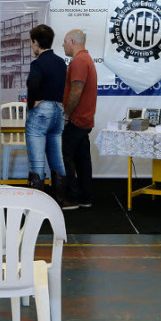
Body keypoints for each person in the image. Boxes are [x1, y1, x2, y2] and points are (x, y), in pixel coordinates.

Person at [25, 24, 68, 201]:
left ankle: (38, 204)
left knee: (37, 161)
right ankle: (60, 200)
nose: (31, 46)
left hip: (42, 111)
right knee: (57, 159)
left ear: (36, 42)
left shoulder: (37, 63)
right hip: (58, 109)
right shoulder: (60, 62)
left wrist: (32, 104)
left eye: (31, 42)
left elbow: (33, 84)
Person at [62, 29, 98, 210]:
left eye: (65, 42)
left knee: (65, 157)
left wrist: (66, 114)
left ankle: (72, 198)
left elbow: (76, 90)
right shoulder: (86, 59)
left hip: (76, 119)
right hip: (85, 119)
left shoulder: (79, 61)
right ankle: (86, 197)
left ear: (73, 42)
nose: (63, 45)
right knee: (82, 159)